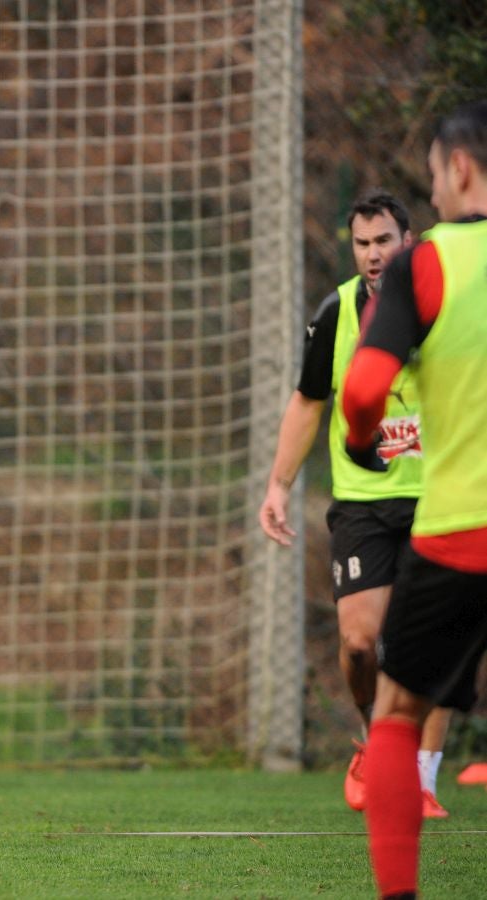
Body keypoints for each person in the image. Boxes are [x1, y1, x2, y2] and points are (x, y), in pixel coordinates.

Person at [258, 189, 451, 818]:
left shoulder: (443, 302)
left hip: (440, 497)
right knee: (362, 645)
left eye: (384, 241)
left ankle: (419, 779)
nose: (373, 255)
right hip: (363, 506)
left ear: (408, 240)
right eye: (363, 243)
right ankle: (376, 743)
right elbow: (309, 400)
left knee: (434, 641)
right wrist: (279, 486)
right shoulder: (336, 310)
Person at [342, 98, 487, 899]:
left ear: (458, 168)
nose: (431, 193)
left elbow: (363, 392)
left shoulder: (426, 264)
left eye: (432, 175)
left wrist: (362, 440)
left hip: (461, 529)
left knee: (396, 711)